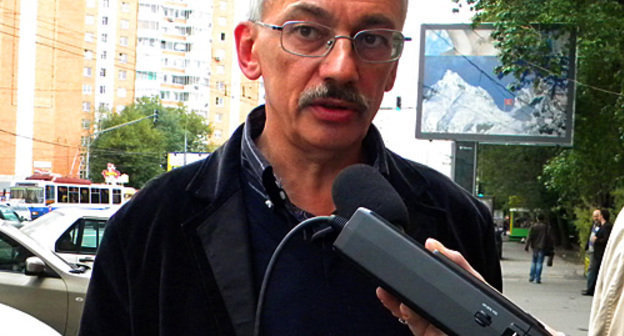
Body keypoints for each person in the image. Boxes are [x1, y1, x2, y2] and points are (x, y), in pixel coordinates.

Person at [78, 0, 502, 335]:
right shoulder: (149, 226)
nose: (342, 67)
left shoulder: (459, 225)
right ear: (249, 51)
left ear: (393, 65)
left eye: (371, 39)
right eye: (307, 32)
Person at [588, 206, 624, 335]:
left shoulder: (611, 226)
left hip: (600, 254)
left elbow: (612, 296)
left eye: (597, 215)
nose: (595, 218)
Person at [583, 208, 613, 296]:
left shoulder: (606, 226)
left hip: (600, 252)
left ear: (602, 216)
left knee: (594, 270)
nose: (597, 217)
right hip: (595, 251)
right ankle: (591, 288)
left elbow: (606, 239)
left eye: (599, 215)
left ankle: (592, 289)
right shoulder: (599, 225)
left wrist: (596, 240)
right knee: (593, 269)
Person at [524, 214, 554, 284]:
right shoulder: (546, 227)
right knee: (540, 263)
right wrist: (551, 247)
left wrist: (527, 246)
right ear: (543, 219)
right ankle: (537, 278)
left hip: (535, 247)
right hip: (543, 247)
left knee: (534, 262)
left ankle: (531, 277)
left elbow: (529, 236)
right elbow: (550, 238)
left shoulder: (533, 226)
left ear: (537, 218)